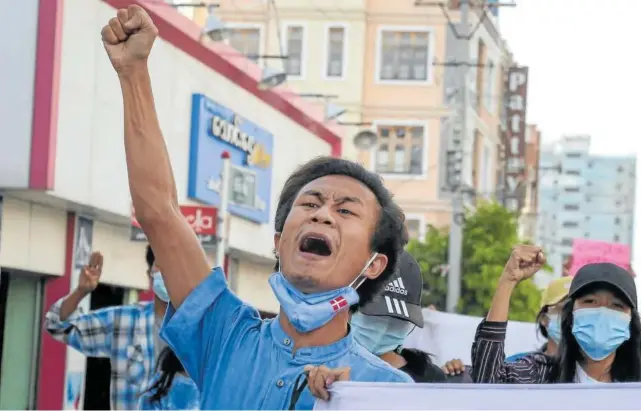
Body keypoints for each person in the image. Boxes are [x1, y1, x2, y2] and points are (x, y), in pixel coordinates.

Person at [100, 6, 412, 410]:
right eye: (311, 203)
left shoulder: (388, 391)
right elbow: (159, 212)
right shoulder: (223, 333)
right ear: (279, 242)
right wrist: (133, 72)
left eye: (346, 211)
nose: (321, 214)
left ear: (374, 264)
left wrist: (353, 403)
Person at [471, 245, 641, 384]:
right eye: (590, 302)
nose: (602, 313)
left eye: (616, 306)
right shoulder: (542, 375)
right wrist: (507, 282)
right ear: (570, 316)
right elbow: (488, 382)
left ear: (630, 323)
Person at [44, 247, 172, 409]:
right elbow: (58, 326)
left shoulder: (202, 328)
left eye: (174, 267)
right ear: (150, 275)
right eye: (162, 266)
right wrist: (80, 292)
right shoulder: (123, 321)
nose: (169, 274)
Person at [442, 276, 573, 378]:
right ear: (544, 317)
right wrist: (454, 375)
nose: (571, 317)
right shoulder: (520, 368)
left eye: (577, 310)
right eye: (564, 309)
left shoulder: (589, 370)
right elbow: (487, 379)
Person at [351, 250, 446, 382]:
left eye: (398, 319)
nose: (383, 327)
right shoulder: (326, 374)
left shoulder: (430, 379)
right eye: (374, 315)